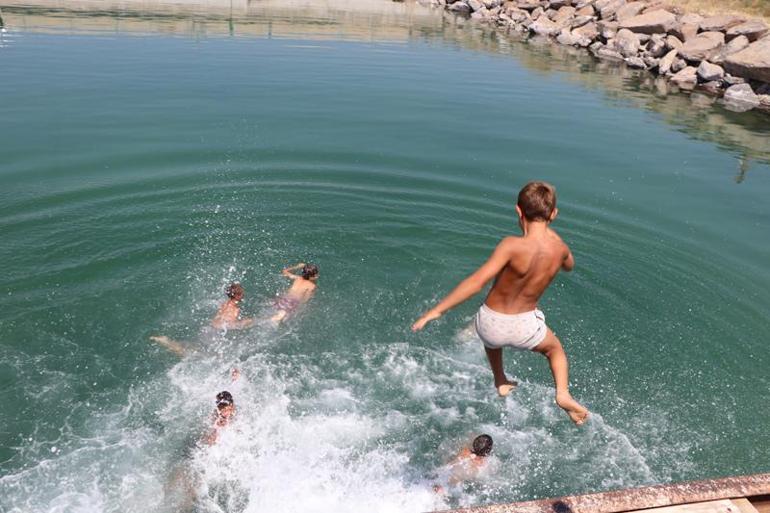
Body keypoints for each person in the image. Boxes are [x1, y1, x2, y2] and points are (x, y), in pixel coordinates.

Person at [412, 181, 589, 425]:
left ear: (518, 211)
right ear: (554, 214)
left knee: (491, 336)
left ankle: (500, 379)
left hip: (490, 323)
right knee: (554, 350)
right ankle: (563, 393)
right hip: (525, 327)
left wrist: (434, 312)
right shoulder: (560, 249)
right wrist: (554, 236)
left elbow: (477, 282)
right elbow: (570, 266)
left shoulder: (511, 245)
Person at [151, 282, 254, 356]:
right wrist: (244, 323)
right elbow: (230, 324)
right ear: (239, 296)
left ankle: (171, 343)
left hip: (207, 329)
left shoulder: (224, 304)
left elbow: (221, 318)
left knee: (197, 349)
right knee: (209, 356)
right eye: (242, 293)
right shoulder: (235, 309)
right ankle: (170, 343)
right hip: (215, 332)